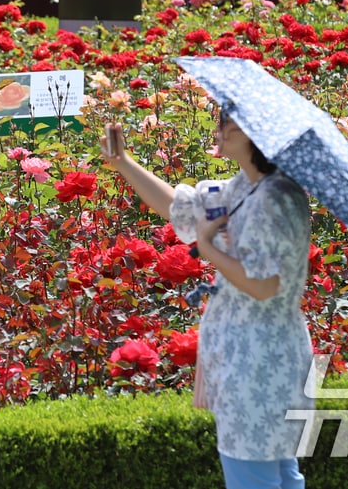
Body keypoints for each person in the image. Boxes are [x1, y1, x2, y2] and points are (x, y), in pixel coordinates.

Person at [101, 109, 313, 489]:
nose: (218, 130)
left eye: (225, 122)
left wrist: (207, 246)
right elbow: (177, 206)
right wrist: (124, 163)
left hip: (257, 363)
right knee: (282, 474)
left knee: (254, 477)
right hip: (263, 356)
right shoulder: (245, 189)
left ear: (248, 131)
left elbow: (265, 285)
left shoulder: (273, 199)